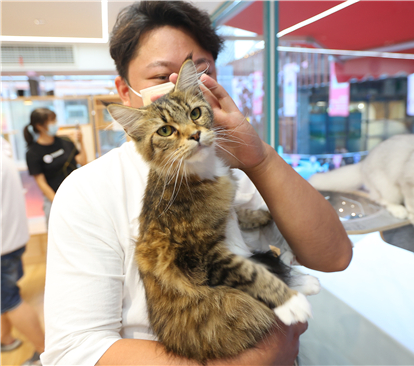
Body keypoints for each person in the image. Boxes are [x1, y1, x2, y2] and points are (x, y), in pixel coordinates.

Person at [42, 2, 353, 365]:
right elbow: (75, 350)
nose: (179, 86)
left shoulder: (239, 166)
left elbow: (334, 256)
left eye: (198, 70)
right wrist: (257, 358)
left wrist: (262, 159)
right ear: (125, 92)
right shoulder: (89, 191)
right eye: (161, 77)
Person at [1, 142, 45, 365]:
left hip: (3, 245)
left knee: (9, 301)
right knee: (4, 297)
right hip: (13, 239)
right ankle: (6, 339)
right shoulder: (4, 151)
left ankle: (45, 352)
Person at [23, 108, 87, 225]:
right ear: (39, 126)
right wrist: (59, 203)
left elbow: (83, 162)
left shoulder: (66, 141)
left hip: (77, 196)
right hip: (54, 200)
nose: (55, 124)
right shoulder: (33, 153)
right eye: (51, 121)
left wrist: (81, 142)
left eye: (55, 120)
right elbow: (41, 183)